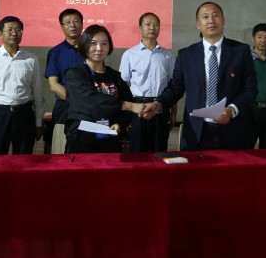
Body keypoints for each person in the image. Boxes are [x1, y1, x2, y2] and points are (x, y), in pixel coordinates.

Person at [142, 1, 257, 150]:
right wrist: (158, 103)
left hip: (234, 130)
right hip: (196, 133)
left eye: (215, 15)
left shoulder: (240, 51)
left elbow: (250, 89)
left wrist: (232, 109)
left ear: (223, 21)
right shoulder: (186, 55)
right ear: (198, 24)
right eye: (205, 17)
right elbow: (175, 89)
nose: (211, 20)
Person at [64, 24, 144, 153]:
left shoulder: (115, 76)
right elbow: (90, 101)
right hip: (82, 140)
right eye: (93, 43)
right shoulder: (75, 73)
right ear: (84, 45)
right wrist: (127, 105)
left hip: (110, 139)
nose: (99, 48)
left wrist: (119, 123)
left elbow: (127, 103)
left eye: (104, 43)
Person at [0, 16, 44, 155]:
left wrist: (38, 122)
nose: (14, 33)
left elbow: (37, 93)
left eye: (18, 30)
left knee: (24, 159)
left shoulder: (31, 59)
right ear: (0, 34)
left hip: (24, 115)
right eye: (10, 30)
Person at [119, 12, 176, 152]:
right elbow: (123, 86)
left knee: (159, 149)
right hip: (137, 107)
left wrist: (173, 111)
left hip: (160, 106)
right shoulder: (129, 54)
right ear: (140, 28)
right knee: (137, 150)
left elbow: (173, 86)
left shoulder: (167, 55)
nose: (152, 27)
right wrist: (125, 115)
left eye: (156, 24)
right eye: (148, 24)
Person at [45, 9, 85, 154]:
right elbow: (53, 85)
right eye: (68, 22)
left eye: (76, 21)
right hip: (64, 108)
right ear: (62, 27)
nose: (72, 25)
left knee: (87, 150)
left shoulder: (92, 49)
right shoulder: (55, 52)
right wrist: (78, 100)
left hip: (89, 109)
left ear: (82, 24)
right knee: (62, 150)